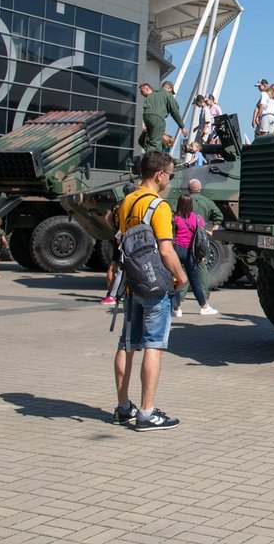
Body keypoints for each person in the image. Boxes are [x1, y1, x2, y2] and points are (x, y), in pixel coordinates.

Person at [112, 151, 188, 432]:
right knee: (154, 345)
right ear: (159, 175)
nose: (169, 179)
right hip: (155, 286)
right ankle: (146, 412)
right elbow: (166, 251)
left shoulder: (127, 201)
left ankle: (123, 407)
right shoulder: (159, 206)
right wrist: (180, 277)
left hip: (131, 283)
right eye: (169, 174)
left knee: (127, 345)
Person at [171, 194, 217, 317]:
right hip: (190, 252)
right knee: (195, 280)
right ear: (191, 204)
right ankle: (204, 306)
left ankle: (177, 308)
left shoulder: (174, 218)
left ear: (179, 204)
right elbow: (201, 236)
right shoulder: (197, 218)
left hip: (176, 250)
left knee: (176, 280)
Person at [101, 182, 137, 306]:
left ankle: (110, 293)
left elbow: (107, 217)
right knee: (126, 267)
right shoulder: (132, 203)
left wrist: (114, 229)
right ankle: (117, 294)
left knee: (113, 265)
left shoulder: (117, 204)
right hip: (129, 238)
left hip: (117, 236)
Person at [140, 83, 187, 152]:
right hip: (157, 118)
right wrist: (182, 126)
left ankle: (149, 154)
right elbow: (174, 111)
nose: (171, 94)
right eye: (171, 92)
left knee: (147, 140)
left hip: (146, 117)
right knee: (156, 144)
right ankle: (153, 160)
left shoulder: (152, 94)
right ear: (169, 89)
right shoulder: (167, 95)